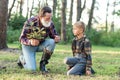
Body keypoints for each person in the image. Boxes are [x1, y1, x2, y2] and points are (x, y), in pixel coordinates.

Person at [17, 6, 60, 73]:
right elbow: (21, 38)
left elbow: (53, 35)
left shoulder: (50, 23)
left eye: (51, 17)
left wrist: (56, 37)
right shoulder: (30, 22)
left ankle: (43, 64)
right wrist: (30, 41)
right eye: (47, 18)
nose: (49, 20)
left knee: (52, 42)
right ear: (41, 16)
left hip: (40, 44)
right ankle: (22, 58)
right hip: (28, 47)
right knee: (32, 70)